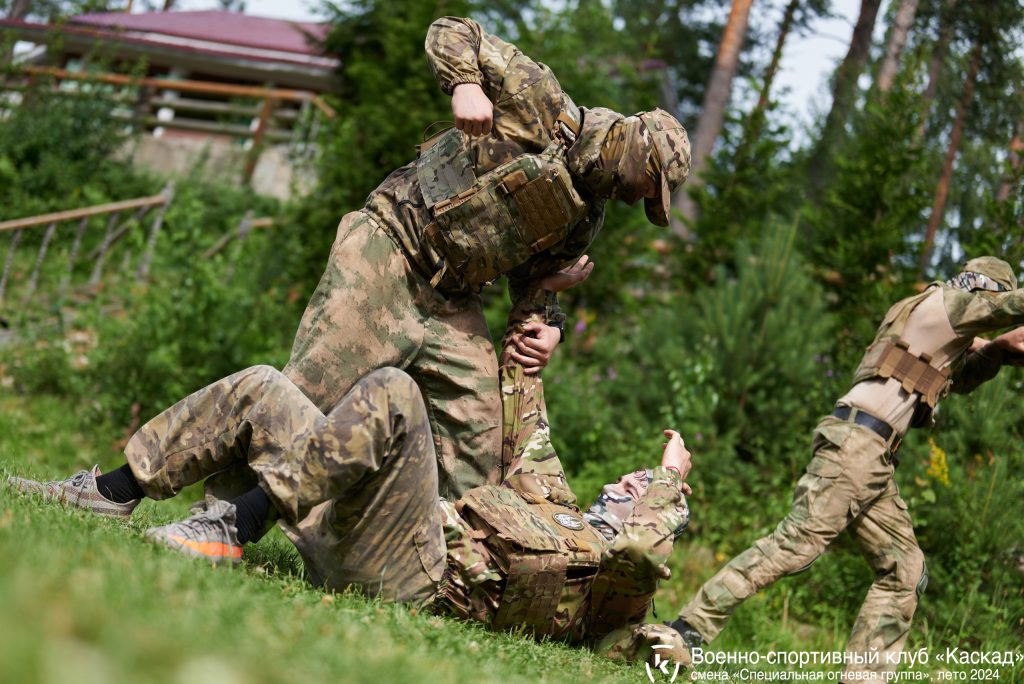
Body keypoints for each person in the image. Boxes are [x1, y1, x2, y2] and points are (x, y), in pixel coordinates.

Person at [9, 352, 694, 667]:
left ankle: (231, 526)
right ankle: (111, 491)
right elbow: (527, 425)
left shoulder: (618, 577)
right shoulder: (561, 507)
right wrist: (533, 338)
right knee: (265, 387)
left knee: (395, 391)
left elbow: (645, 552)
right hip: (376, 531)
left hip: (420, 576)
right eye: (627, 481)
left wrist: (671, 483)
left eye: (635, 489)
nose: (625, 484)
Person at [273, 15, 691, 502]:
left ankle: (426, 564)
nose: (635, 199)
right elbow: (451, 29)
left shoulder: (584, 219)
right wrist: (466, 85)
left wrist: (548, 326)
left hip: (452, 298)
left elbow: (533, 286)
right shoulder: (541, 101)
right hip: (390, 245)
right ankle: (223, 515)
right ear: (639, 147)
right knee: (309, 391)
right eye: (647, 185)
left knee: (478, 452)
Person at [669, 257, 1024, 681]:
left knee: (903, 570)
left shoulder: (928, 314)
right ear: (985, 290)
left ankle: (865, 676)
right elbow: (1009, 309)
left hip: (870, 455)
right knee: (794, 545)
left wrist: (998, 352)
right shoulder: (949, 304)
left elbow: (959, 378)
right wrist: (1002, 332)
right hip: (857, 447)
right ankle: (686, 630)